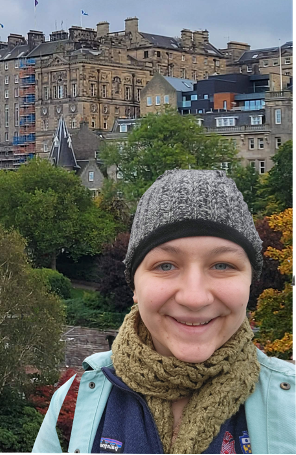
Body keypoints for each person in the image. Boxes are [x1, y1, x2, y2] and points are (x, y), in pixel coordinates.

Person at [33, 169, 295, 454]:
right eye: (166, 266)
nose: (194, 298)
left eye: (222, 265)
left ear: (249, 283)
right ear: (134, 284)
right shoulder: (74, 400)